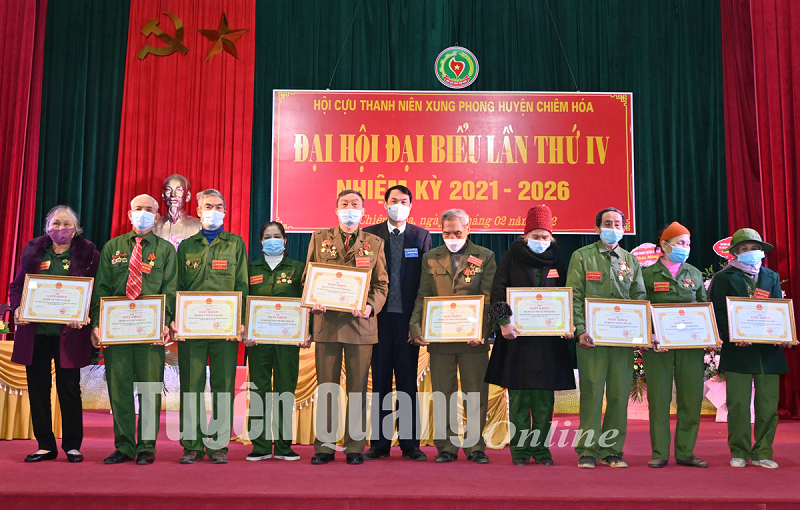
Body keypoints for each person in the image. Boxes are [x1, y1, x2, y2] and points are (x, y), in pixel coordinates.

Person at [485, 205, 575, 466]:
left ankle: (542, 450)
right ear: (525, 237)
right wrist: (503, 323)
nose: (540, 240)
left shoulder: (558, 261)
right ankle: (521, 451)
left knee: (545, 400)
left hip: (549, 342)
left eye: (545, 236)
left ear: (551, 238)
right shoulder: (510, 258)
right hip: (517, 340)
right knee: (520, 398)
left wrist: (568, 323)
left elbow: (568, 293)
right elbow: (498, 290)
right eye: (535, 236)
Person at [90, 194, 176, 465]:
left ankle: (147, 446)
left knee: (150, 389)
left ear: (157, 215)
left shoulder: (165, 250)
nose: (143, 213)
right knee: (119, 388)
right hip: (117, 330)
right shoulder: (112, 247)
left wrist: (166, 323)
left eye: (149, 209)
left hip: (151, 332)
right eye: (138, 209)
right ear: (129, 214)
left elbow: (170, 289)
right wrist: (97, 324)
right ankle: (124, 445)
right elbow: (102, 288)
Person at [9, 205, 100, 463]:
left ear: (76, 228)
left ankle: (72, 446)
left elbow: (95, 291)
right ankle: (45, 445)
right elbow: (17, 287)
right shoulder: (33, 251)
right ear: (47, 226)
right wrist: (18, 309)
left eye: (67, 224)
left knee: (69, 389)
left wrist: (84, 315)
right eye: (56, 224)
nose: (61, 228)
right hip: (35, 332)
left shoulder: (89, 255)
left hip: (69, 334)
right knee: (38, 389)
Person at [304, 189, 388, 465]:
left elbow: (381, 284)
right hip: (327, 324)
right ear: (336, 209)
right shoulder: (319, 238)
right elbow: (308, 277)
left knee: (357, 389)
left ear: (363, 211)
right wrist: (313, 299)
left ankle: (355, 447)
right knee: (327, 388)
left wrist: (370, 306)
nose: (349, 208)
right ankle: (324, 447)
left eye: (355, 204)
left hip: (360, 325)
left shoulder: (374, 242)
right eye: (344, 204)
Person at [410, 208, 496, 464]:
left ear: (468, 229)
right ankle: (446, 446)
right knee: (443, 393)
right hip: (441, 338)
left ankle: (475, 446)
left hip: (473, 340)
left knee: (475, 394)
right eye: (447, 233)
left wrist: (483, 331)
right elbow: (423, 295)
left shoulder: (485, 256)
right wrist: (415, 327)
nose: (452, 237)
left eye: (457, 232)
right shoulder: (431, 257)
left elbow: (489, 297)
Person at [566, 207, 646, 469]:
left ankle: (612, 449)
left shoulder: (630, 261)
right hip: (591, 340)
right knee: (591, 393)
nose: (613, 227)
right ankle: (587, 450)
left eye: (618, 224)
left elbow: (639, 298)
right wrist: (580, 329)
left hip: (622, 342)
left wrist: (640, 332)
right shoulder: (582, 257)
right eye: (607, 223)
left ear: (624, 228)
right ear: (597, 228)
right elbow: (574, 295)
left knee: (619, 395)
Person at [172, 189, 248, 464]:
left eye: (217, 206)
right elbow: (177, 285)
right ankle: (191, 445)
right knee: (191, 385)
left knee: (223, 385)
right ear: (198, 211)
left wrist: (240, 321)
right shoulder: (186, 246)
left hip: (225, 330)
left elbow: (242, 284)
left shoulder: (235, 244)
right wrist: (176, 319)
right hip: (191, 329)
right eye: (207, 206)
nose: (212, 211)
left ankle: (218, 445)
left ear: (225, 211)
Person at [708, 228, 791, 469]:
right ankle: (740, 451)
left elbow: (778, 310)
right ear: (735, 253)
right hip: (738, 351)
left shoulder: (771, 276)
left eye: (754, 248)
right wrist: (732, 336)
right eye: (744, 249)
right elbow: (717, 313)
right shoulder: (723, 278)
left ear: (761, 251)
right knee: (737, 405)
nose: (750, 252)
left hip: (768, 353)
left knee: (768, 406)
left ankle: (763, 452)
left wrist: (783, 334)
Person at [363, 185, 431, 461]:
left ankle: (410, 444)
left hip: (407, 321)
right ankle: (379, 444)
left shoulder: (421, 236)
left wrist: (419, 323)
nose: (398, 205)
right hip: (377, 319)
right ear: (385, 204)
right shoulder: (369, 235)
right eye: (393, 200)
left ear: (411, 206)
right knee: (380, 381)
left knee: (406, 382)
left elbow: (425, 282)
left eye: (404, 201)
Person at [641, 222, 708, 468]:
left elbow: (704, 307)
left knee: (691, 398)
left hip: (690, 347)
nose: (685, 247)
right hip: (658, 347)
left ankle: (686, 452)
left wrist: (709, 336)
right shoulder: (647, 274)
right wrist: (649, 334)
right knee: (659, 399)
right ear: (665, 245)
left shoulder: (694, 273)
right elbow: (640, 308)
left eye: (688, 243)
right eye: (680, 243)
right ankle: (659, 453)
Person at [242, 221, 310, 462]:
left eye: (277, 236)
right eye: (268, 236)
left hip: (287, 343)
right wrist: (244, 330)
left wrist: (306, 331)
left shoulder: (298, 268)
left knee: (285, 390)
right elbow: (242, 301)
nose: (273, 240)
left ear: (285, 240)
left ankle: (283, 446)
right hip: (257, 343)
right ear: (261, 242)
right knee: (258, 391)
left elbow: (307, 302)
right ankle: (260, 445)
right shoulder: (249, 269)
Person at [153, 174, 202, 249]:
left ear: (188, 196)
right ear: (163, 195)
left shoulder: (199, 227)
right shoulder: (152, 226)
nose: (173, 194)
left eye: (179, 190)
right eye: (169, 189)